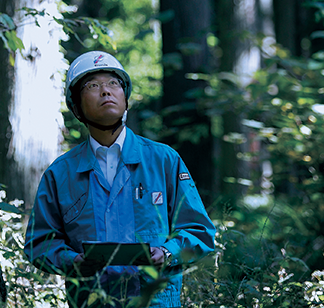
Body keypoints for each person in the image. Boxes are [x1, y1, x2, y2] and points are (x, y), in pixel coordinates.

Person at [24, 50, 215, 308]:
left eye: (113, 83)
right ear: (76, 106)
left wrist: (168, 254)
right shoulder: (60, 173)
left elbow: (199, 231)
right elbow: (39, 243)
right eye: (92, 86)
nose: (105, 91)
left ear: (125, 98)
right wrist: (72, 261)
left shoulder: (164, 160)